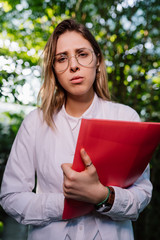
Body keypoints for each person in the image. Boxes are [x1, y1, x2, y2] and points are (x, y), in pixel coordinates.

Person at [0, 18, 152, 240]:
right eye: (62, 58)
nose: (73, 65)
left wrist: (103, 196)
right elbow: (11, 197)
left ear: (97, 60)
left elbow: (142, 193)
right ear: (53, 68)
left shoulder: (126, 117)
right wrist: (68, 203)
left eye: (82, 54)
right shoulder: (34, 123)